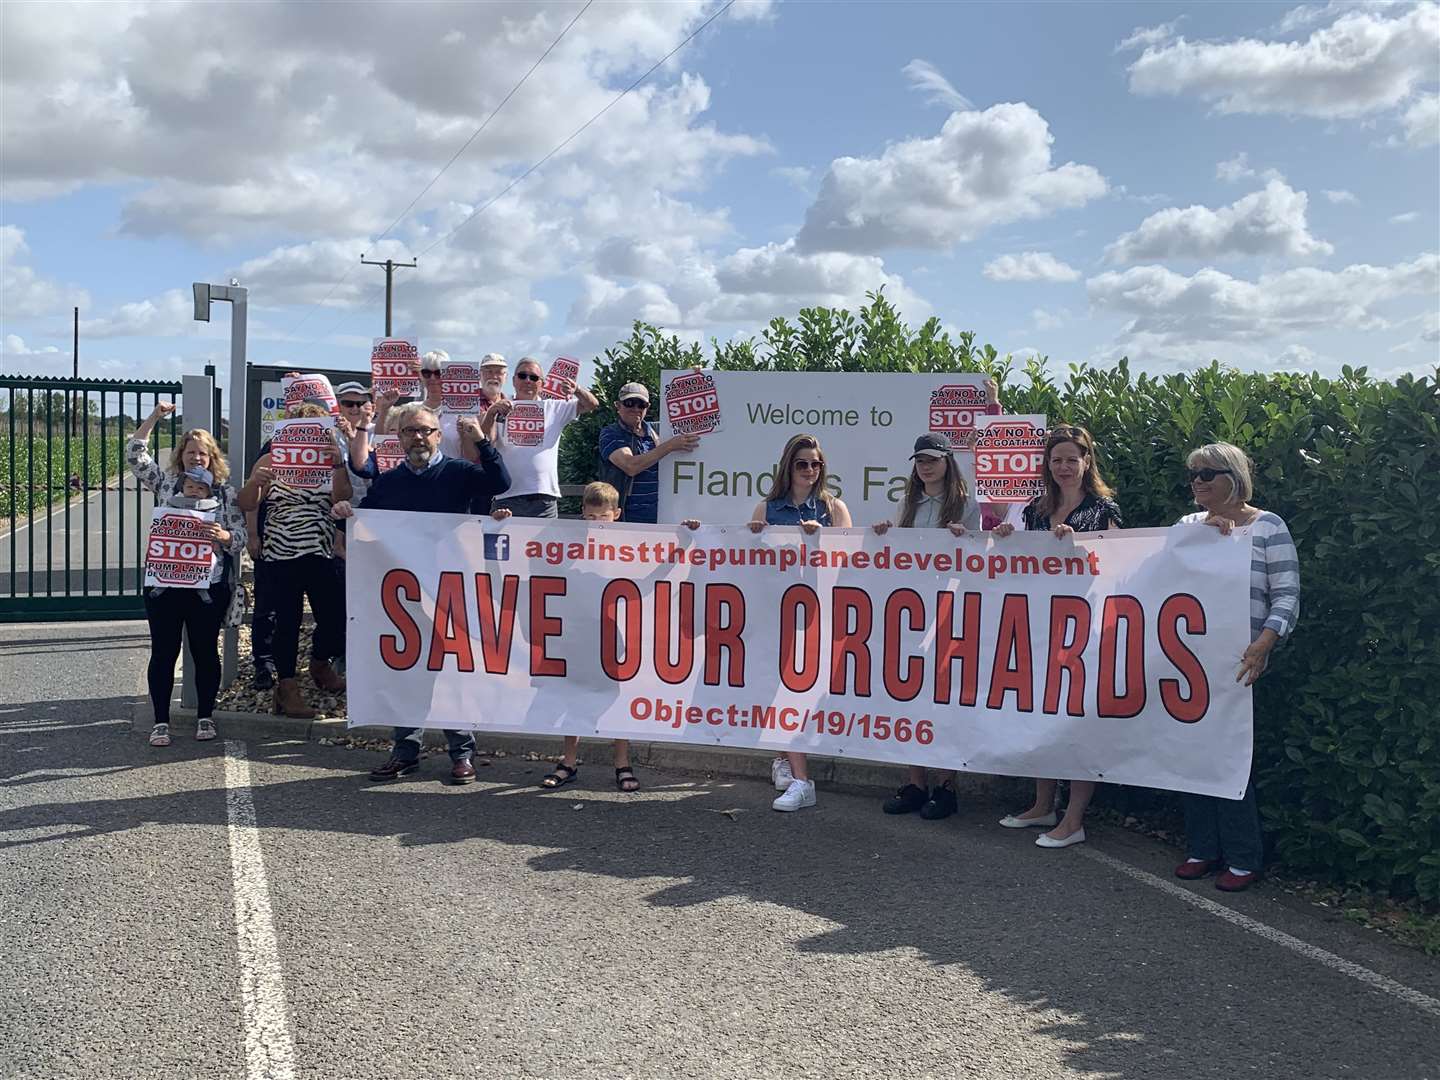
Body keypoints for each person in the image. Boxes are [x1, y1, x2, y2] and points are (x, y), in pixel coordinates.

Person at [332, 402, 511, 784]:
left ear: (438, 434)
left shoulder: (460, 473)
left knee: (451, 675)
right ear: (398, 437)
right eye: (411, 431)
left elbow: (500, 482)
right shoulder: (390, 483)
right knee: (408, 672)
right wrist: (348, 512)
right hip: (407, 597)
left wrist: (480, 439)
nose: (419, 438)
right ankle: (405, 751)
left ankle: (461, 753)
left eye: (426, 431)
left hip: (451, 592)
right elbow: (368, 523)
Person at [1172, 442, 1299, 892]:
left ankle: (1244, 857)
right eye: (1194, 475)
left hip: (1242, 663)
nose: (1199, 482)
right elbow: (1160, 575)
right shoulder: (1187, 526)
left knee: (1232, 758)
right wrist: (1202, 535)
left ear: (1235, 477)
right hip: (1189, 661)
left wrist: (1262, 645)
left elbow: (1285, 595)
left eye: (1209, 473)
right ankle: (1202, 848)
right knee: (1192, 756)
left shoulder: (1268, 527)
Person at [992, 424, 1122, 848]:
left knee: (1078, 721)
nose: (1064, 467)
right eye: (1056, 460)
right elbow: (1014, 562)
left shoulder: (1104, 509)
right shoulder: (1033, 508)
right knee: (1041, 716)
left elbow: (1124, 565)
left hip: (1085, 629)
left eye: (1072, 459)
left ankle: (1074, 818)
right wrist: (1005, 541)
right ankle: (1042, 804)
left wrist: (1084, 547)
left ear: (1087, 462)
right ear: (1047, 465)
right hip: (1038, 626)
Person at [532, 481, 701, 793]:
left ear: (617, 514)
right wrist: (497, 524)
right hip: (575, 634)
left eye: (603, 517)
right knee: (573, 697)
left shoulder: (628, 548)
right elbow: (532, 559)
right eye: (591, 517)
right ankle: (568, 761)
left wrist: (682, 541)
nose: (596, 523)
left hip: (612, 633)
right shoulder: (566, 544)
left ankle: (622, 763)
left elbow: (649, 581)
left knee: (615, 699)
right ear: (582, 512)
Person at [872, 433, 982, 819]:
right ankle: (916, 783)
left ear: (947, 462)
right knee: (909, 694)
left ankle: (947, 785)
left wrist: (963, 540)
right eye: (920, 460)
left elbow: (976, 557)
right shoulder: (907, 502)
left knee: (942, 697)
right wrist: (886, 535)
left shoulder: (966, 505)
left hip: (948, 609)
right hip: (910, 608)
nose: (925, 466)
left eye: (932, 459)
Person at [126, 403, 247, 747]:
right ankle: (160, 721)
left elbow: (239, 539)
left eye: (203, 454)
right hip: (164, 587)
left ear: (212, 458)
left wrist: (224, 537)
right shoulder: (165, 484)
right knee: (163, 653)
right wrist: (154, 417)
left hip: (206, 589)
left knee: (206, 652)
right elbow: (135, 456)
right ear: (181, 456)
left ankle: (206, 717)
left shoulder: (225, 493)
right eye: (191, 452)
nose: (197, 458)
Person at [747, 434, 854, 811]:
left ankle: (800, 777)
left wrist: (823, 539)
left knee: (796, 690)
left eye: (816, 464)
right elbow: (745, 560)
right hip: (775, 610)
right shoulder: (767, 507)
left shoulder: (833, 507)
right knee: (777, 688)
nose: (810, 470)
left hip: (816, 612)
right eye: (802, 463)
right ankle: (788, 763)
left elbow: (851, 564)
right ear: (788, 467)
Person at [237, 403, 352, 718]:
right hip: (280, 554)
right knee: (285, 622)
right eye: (299, 427)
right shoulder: (270, 459)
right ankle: (287, 688)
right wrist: (255, 488)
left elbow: (343, 497)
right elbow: (246, 502)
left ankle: (318, 664)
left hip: (321, 550)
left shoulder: (328, 460)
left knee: (336, 617)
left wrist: (339, 463)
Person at [488, 356, 598, 518]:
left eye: (533, 377)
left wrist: (577, 389)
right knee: (503, 543)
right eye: (522, 376)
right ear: (513, 380)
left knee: (544, 544)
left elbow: (592, 405)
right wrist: (491, 413)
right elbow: (486, 441)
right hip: (506, 496)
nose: (528, 381)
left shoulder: (554, 407)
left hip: (544, 498)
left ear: (542, 384)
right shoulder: (500, 406)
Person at [597, 382, 700, 523]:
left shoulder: (658, 431)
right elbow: (630, 466)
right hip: (626, 519)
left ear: (647, 408)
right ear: (618, 406)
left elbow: (694, 421)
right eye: (629, 403)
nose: (635, 408)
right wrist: (670, 446)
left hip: (662, 517)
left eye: (641, 404)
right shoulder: (610, 433)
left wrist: (695, 379)